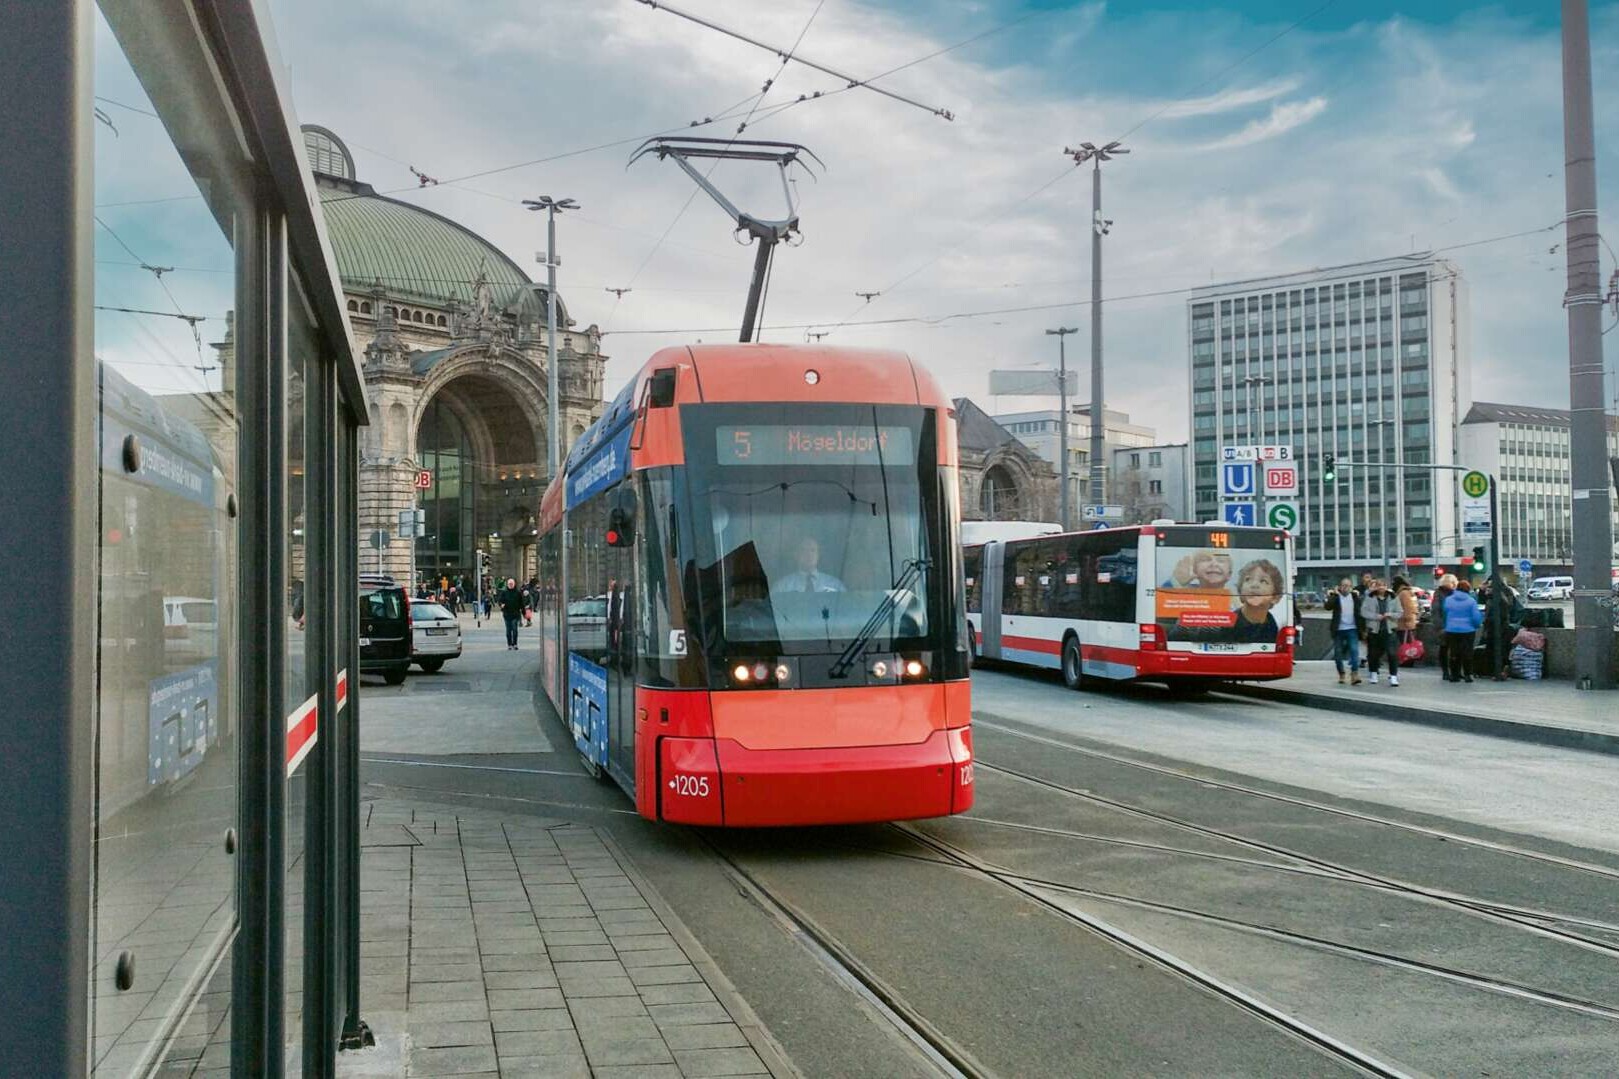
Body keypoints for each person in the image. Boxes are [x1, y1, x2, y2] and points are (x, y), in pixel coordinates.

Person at [1230, 559, 1284, 643]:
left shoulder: (1272, 625)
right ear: (1240, 592)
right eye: (1248, 579)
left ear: (1275, 598)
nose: (1254, 585)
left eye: (1263, 581)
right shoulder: (1228, 624)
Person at [1440, 579, 1484, 682]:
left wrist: (1448, 624)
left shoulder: (1448, 600)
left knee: (1454, 652)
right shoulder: (1471, 601)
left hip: (1452, 629)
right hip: (1468, 630)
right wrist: (1477, 625)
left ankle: (1454, 675)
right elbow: (1476, 617)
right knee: (1467, 652)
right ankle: (1468, 674)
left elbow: (1445, 612)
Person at [1360, 578, 1399, 686]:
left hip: (1389, 629)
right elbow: (1363, 612)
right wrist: (1375, 617)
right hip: (1374, 630)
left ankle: (1393, 676)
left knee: (1392, 654)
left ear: (1387, 587)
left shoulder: (1393, 597)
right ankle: (1373, 673)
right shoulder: (1370, 597)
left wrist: (1390, 614)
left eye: (1383, 585)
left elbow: (1400, 612)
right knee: (1373, 654)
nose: (1381, 587)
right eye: (1379, 585)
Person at [1324, 577, 1363, 685]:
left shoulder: (1355, 597)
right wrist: (1334, 594)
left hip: (1352, 628)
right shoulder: (1336, 597)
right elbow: (1327, 607)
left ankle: (1354, 673)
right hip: (1339, 629)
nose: (1345, 588)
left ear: (1351, 587)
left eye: (1348, 586)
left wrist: (1363, 629)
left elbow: (1361, 612)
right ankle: (1341, 673)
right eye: (1343, 585)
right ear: (1340, 587)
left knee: (1354, 650)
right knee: (1338, 653)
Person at [775, 536, 847, 593]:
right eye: (803, 550)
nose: (809, 554)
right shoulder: (783, 587)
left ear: (818, 555)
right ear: (796, 555)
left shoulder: (835, 585)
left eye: (813, 550)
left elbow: (845, 609)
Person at [498, 576, 525, 650]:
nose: (510, 585)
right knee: (508, 630)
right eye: (509, 584)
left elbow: (521, 603)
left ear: (514, 584)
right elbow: (500, 601)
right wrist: (501, 605)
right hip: (507, 614)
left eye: (512, 584)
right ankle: (509, 644)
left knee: (515, 629)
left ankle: (515, 644)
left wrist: (524, 613)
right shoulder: (504, 592)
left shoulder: (518, 593)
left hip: (515, 614)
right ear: (507, 584)